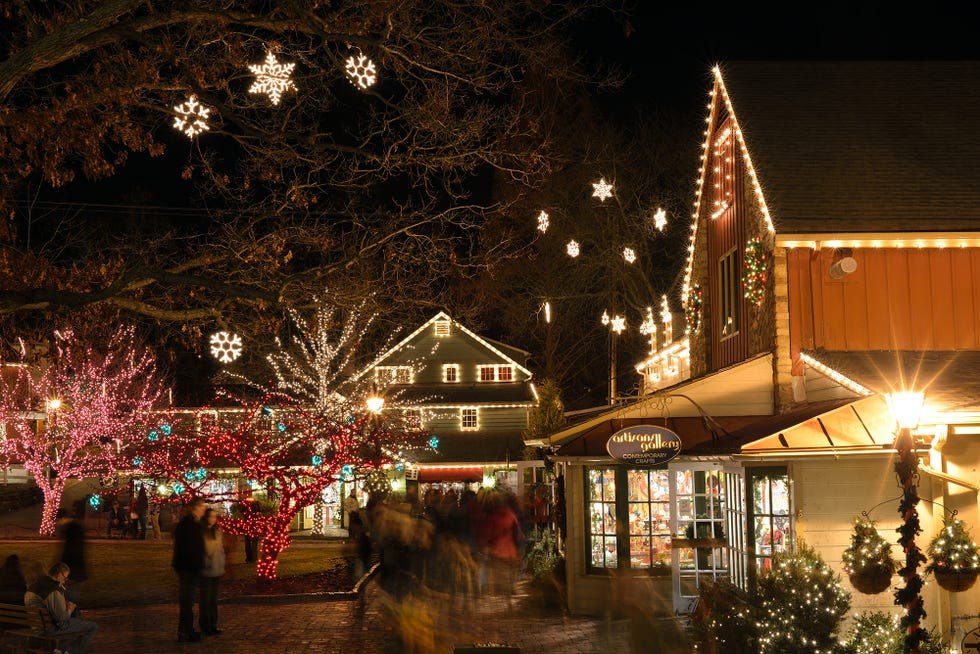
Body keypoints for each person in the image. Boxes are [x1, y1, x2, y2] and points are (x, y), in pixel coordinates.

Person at [24, 562, 98, 654]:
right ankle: (72, 652)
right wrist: (70, 609)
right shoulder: (52, 589)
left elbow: (47, 607)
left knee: (76, 622)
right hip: (48, 629)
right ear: (59, 575)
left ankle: (60, 650)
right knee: (92, 626)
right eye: (65, 578)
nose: (65, 581)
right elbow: (62, 621)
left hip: (36, 627)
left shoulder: (32, 588)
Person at [171, 497, 206, 642]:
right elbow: (192, 548)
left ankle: (185, 630)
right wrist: (198, 565)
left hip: (184, 566)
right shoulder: (191, 524)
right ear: (196, 508)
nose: (204, 509)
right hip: (188, 567)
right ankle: (186, 631)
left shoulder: (187, 523)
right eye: (202, 506)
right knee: (187, 600)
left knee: (187, 600)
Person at [199, 508, 226, 637]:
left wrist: (222, 564)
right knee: (206, 600)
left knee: (213, 600)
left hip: (217, 569)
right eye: (211, 516)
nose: (213, 519)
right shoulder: (202, 532)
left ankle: (213, 624)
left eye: (215, 517)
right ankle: (205, 625)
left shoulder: (217, 531)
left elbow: (220, 550)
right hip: (206, 570)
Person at [57, 508, 88, 610]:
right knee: (71, 598)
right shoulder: (74, 528)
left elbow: (70, 552)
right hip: (76, 570)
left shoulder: (71, 530)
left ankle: (71, 618)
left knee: (70, 599)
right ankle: (72, 615)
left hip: (73, 571)